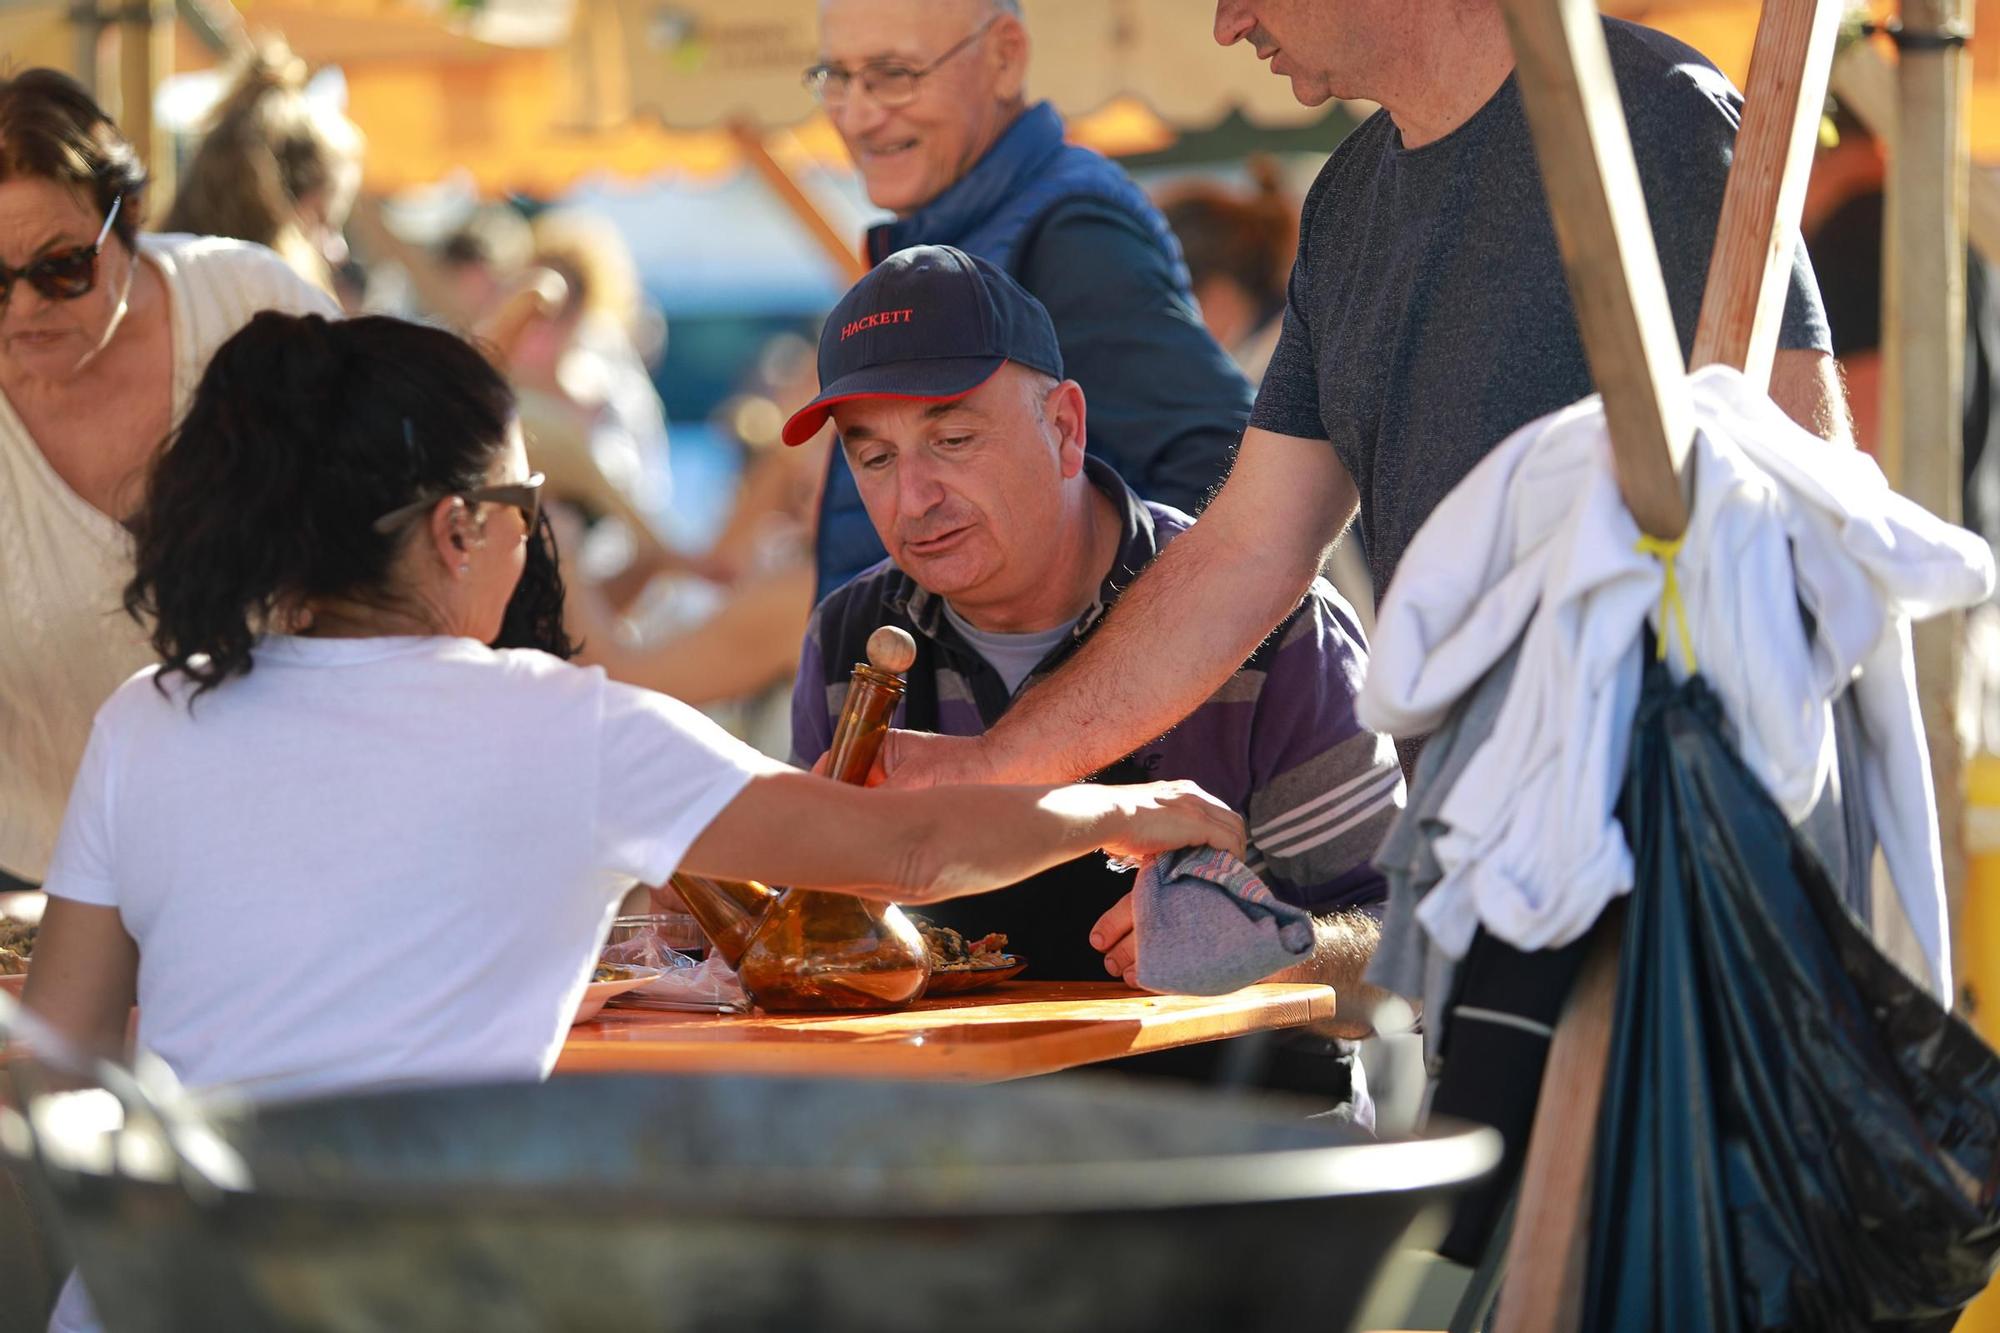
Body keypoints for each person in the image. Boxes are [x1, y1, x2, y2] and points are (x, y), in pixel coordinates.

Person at [26, 311, 1243, 1333]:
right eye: (525, 504)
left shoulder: (151, 713)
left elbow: (57, 1055)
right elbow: (911, 854)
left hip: (147, 1287)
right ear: (459, 529)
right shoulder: (562, 728)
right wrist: (1128, 806)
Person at [874, 1, 1845, 795]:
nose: (1225, 24)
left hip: (1689, 858)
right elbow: (1246, 552)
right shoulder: (1345, 203)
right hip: (1480, 871)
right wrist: (997, 764)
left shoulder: (1648, 118)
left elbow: (1812, 500)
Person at [787, 246, 1400, 1005]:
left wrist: (1278, 954)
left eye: (952, 441)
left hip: (1241, 1121)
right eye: (875, 458)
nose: (914, 498)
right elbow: (813, 939)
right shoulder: (847, 637)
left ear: (1066, 426)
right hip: (941, 1119)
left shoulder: (1271, 626)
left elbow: (1416, 954)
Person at [0, 68, 339, 892]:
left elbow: (394, 517)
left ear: (133, 218)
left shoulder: (250, 303)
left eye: (60, 267)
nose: (21, 312)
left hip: (294, 854)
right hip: (41, 885)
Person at [806, 0, 1253, 599]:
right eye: (836, 78)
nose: (857, 117)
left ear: (1005, 57)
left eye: (893, 75)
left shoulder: (1069, 231)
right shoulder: (972, 225)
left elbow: (1224, 473)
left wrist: (1076, 674)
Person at [161, 41, 364, 297]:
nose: (338, 250)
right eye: (324, 220)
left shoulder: (162, 281)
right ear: (278, 205)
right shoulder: (282, 307)